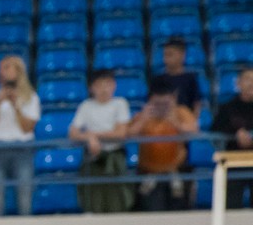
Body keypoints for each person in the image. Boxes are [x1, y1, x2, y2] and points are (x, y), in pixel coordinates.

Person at [129, 75, 200, 211]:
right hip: (149, 172)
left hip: (176, 170)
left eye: (165, 104)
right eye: (158, 104)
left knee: (179, 211)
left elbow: (194, 130)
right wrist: (143, 119)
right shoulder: (143, 115)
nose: (161, 108)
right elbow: (129, 134)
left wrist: (176, 123)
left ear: (173, 98)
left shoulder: (181, 112)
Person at [0, 55, 43, 217]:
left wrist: (16, 105)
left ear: (18, 71)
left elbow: (27, 128)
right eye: (1, 68)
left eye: (6, 67)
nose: (2, 72)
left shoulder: (31, 98)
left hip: (22, 149)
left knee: (24, 195)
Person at [70, 68, 135, 213]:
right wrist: (89, 138)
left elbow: (121, 133)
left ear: (114, 85)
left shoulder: (120, 103)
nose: (104, 89)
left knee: (117, 201)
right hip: (93, 157)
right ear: (91, 88)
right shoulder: (86, 106)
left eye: (108, 84)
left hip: (115, 157)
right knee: (93, 201)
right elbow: (73, 133)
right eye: (99, 85)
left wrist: (93, 135)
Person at [211, 67, 253, 208]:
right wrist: (235, 134)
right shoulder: (227, 108)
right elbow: (215, 130)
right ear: (238, 83)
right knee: (231, 206)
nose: (251, 83)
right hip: (233, 162)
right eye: (247, 79)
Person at [159, 38, 205, 113]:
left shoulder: (190, 79)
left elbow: (196, 104)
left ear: (182, 55)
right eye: (165, 55)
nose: (166, 59)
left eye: (170, 55)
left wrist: (190, 119)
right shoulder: (159, 80)